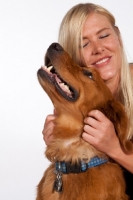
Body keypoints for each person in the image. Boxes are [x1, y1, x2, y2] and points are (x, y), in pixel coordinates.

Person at [42, 3, 133, 198]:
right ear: (73, 56)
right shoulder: (76, 94)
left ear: (117, 36)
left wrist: (115, 149)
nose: (98, 49)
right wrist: (59, 141)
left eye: (104, 36)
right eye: (84, 44)